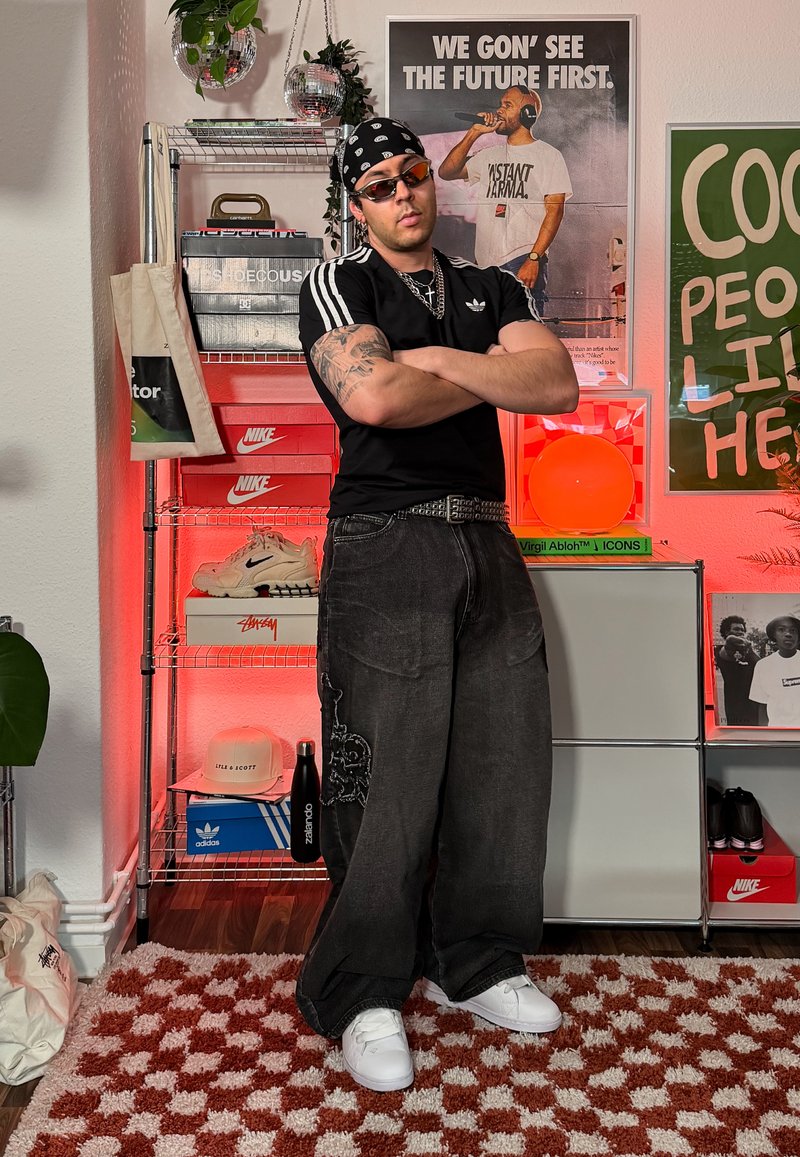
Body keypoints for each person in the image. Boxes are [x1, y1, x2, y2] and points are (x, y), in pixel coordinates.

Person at [293, 116, 578, 1093]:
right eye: (376, 184)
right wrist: (475, 369)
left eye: (411, 174)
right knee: (384, 779)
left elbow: (554, 382)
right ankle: (362, 985)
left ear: (432, 183)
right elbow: (371, 399)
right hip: (385, 540)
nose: (402, 193)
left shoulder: (492, 287)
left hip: (485, 535)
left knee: (499, 764)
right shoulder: (340, 283)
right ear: (356, 205)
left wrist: (442, 364)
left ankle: (477, 961)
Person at [438, 86, 572, 316]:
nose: (499, 110)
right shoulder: (489, 155)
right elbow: (446, 172)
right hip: (486, 265)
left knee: (525, 335)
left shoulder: (549, 156)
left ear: (527, 113)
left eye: (507, 105)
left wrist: (534, 258)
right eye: (500, 104)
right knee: (490, 336)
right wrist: (474, 132)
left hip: (522, 259)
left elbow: (555, 211)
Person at [749, 615, 800, 726]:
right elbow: (762, 704)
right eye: (781, 630)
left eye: (793, 630)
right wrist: (765, 735)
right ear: (774, 635)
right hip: (777, 730)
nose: (788, 634)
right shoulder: (763, 666)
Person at [713, 615, 760, 726]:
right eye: (736, 629)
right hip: (738, 706)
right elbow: (730, 642)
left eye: (743, 630)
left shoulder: (748, 650)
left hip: (754, 703)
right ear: (726, 632)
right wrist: (741, 642)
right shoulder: (723, 651)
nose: (741, 632)